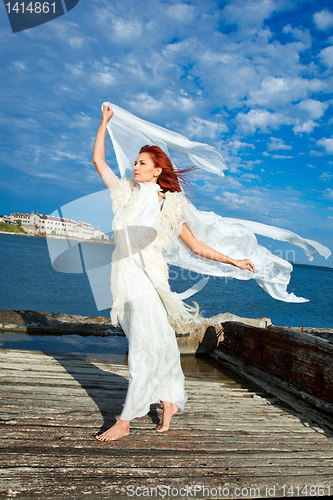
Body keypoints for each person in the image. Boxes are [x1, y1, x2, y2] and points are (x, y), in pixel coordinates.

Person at [92, 104, 255, 441]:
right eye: (135, 162)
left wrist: (234, 261)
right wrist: (104, 123)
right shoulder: (124, 196)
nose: (135, 167)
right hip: (123, 281)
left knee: (143, 348)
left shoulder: (169, 205)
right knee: (155, 342)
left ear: (156, 171)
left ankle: (125, 420)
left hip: (149, 284)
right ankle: (170, 399)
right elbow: (98, 162)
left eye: (142, 163)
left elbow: (196, 247)